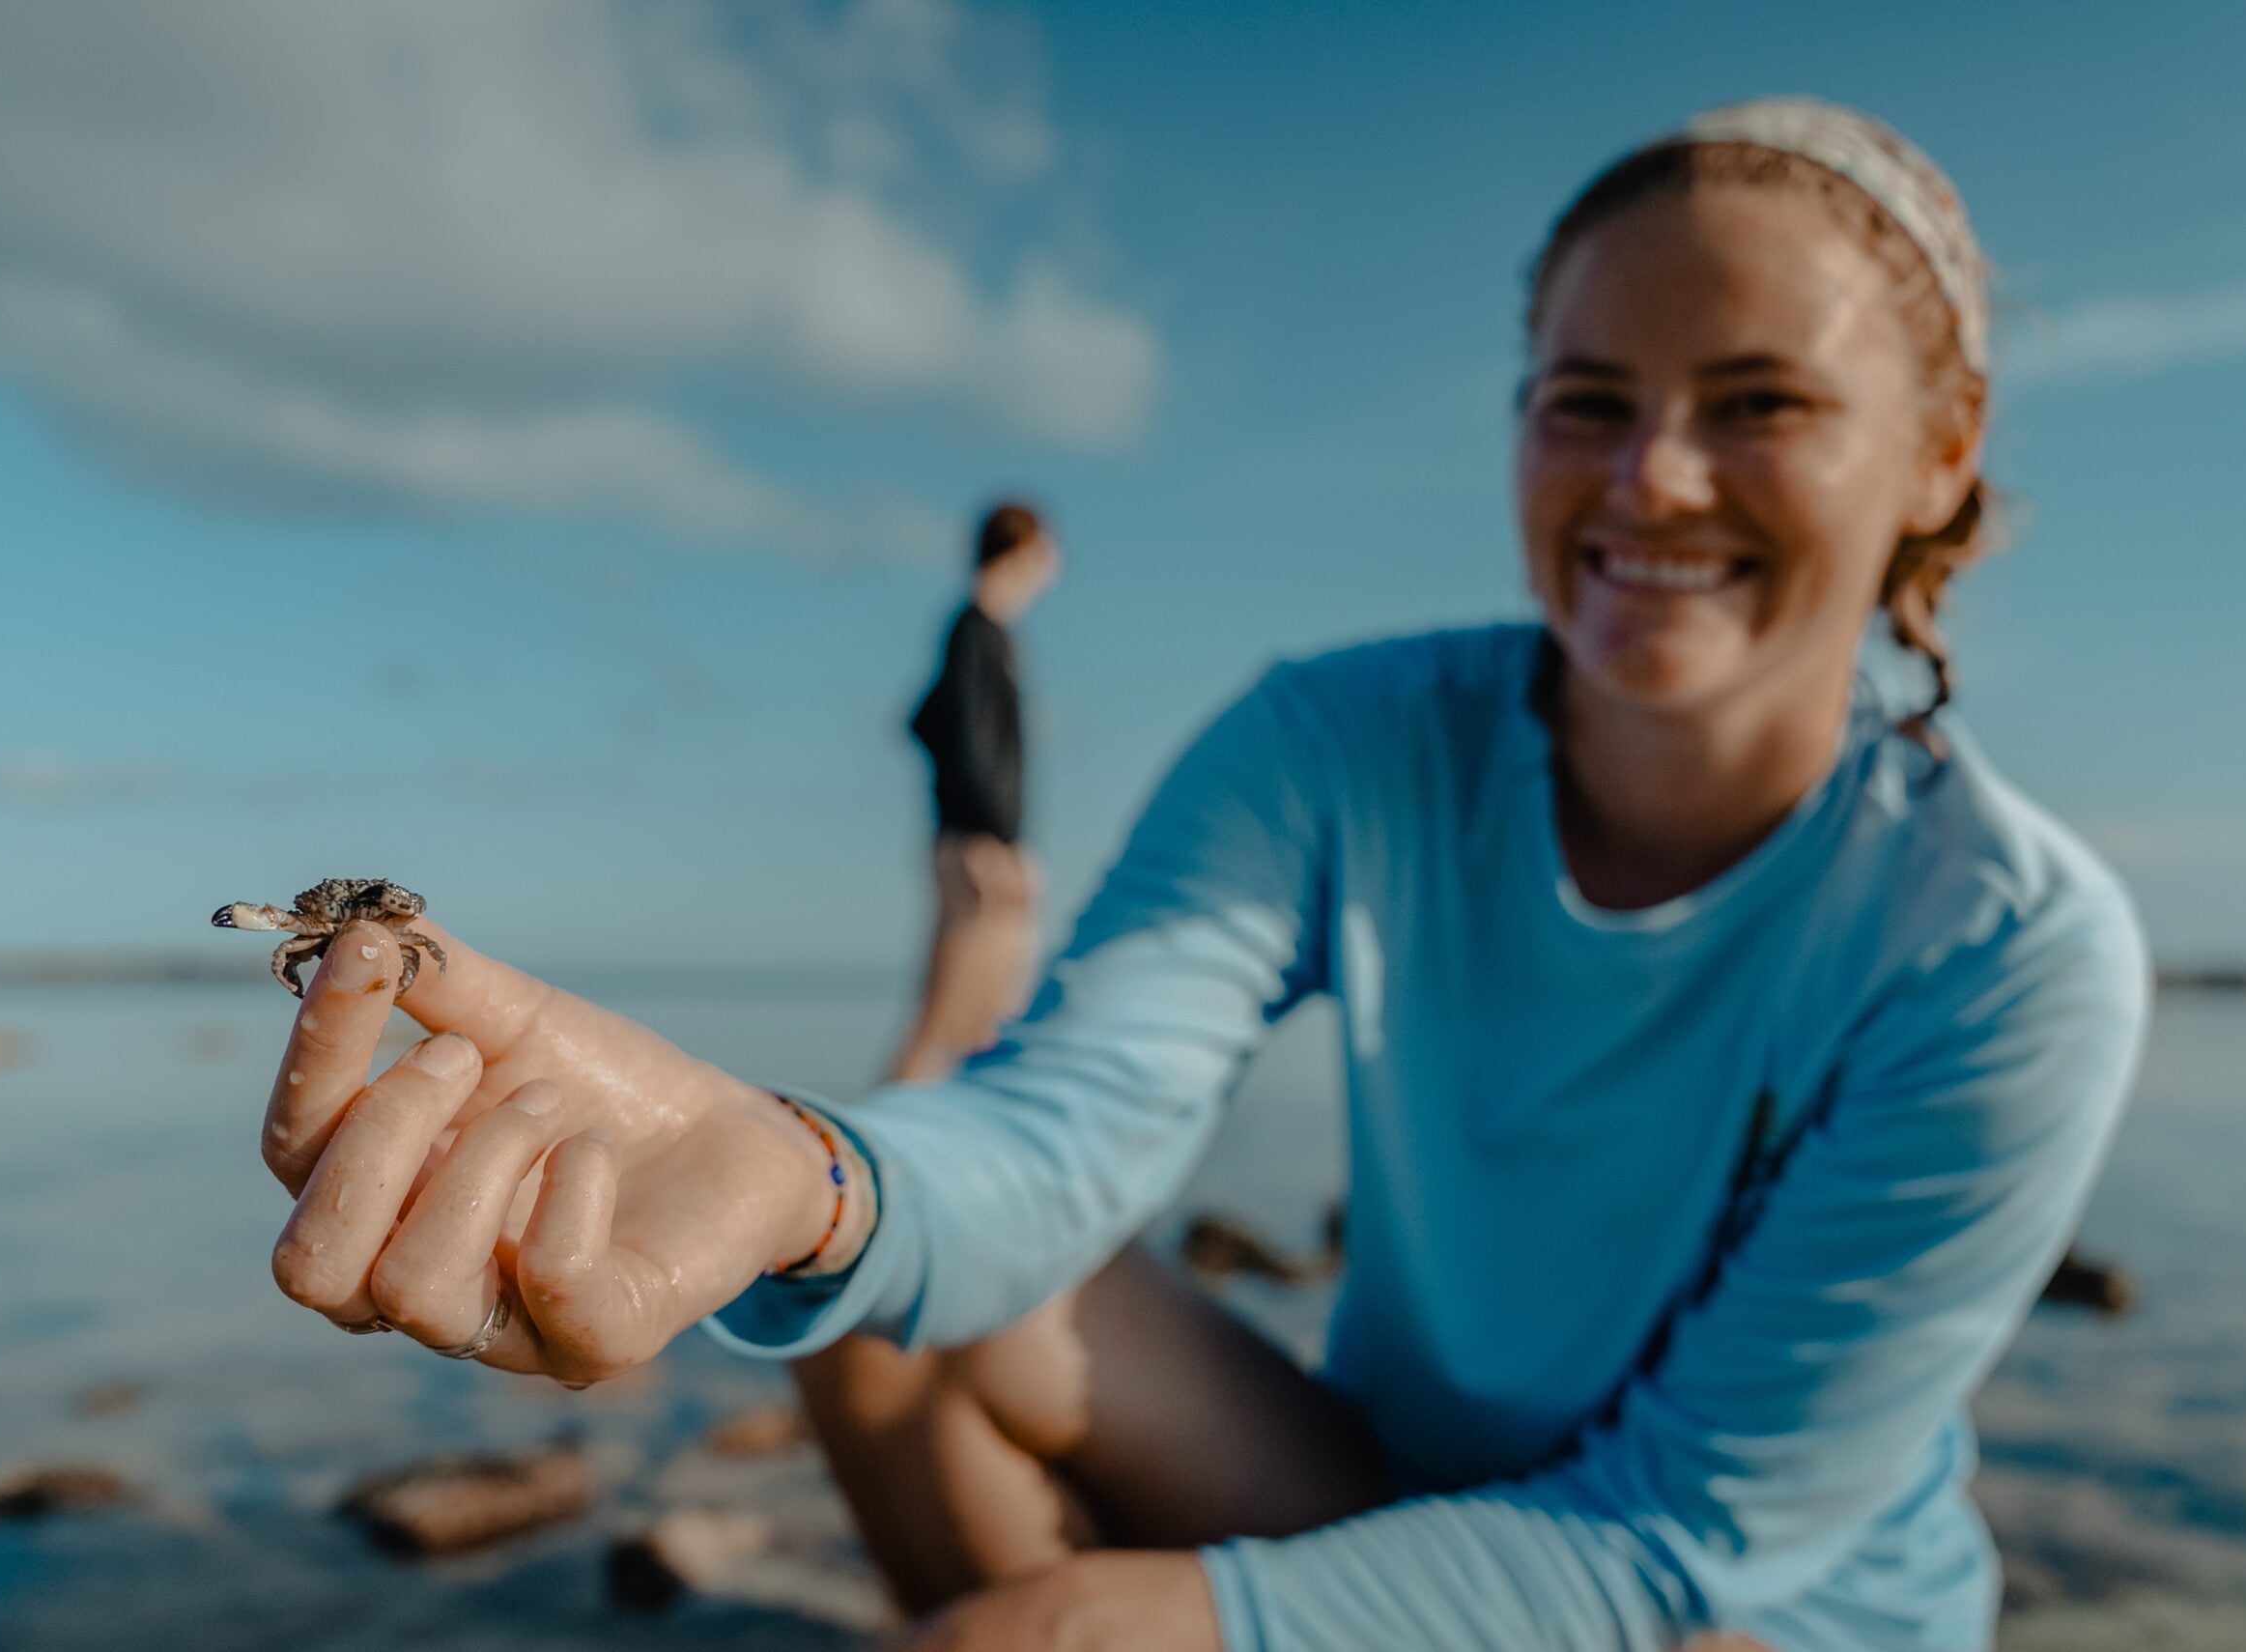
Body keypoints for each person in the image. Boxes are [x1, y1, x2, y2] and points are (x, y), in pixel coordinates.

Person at [251, 99, 2148, 1651]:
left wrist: (1122, 1621)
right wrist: (805, 1176)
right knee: (867, 1301)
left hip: (1730, 1605)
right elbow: (1071, 1121)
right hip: (1387, 1480)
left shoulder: (2005, 947)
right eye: (1586, 397)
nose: (1652, 476)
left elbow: (1678, 1536)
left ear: (1939, 455)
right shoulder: (1334, 745)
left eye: (1759, 402)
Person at [889, 500, 1062, 1085]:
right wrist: (986, 838)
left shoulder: (987, 634)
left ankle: (906, 1137)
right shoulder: (975, 630)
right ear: (1024, 550)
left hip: (974, 841)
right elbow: (952, 732)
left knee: (984, 1028)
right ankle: (862, 1142)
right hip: (978, 849)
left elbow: (924, 721)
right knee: (946, 1027)